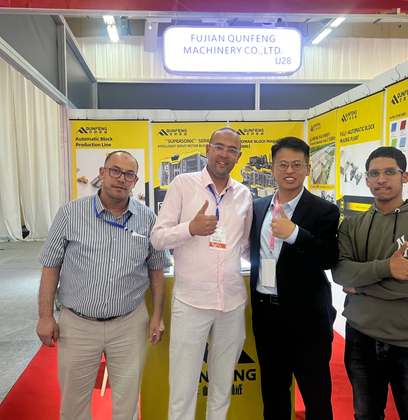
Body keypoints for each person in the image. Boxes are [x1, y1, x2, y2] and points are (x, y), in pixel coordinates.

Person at [37, 151, 171, 420]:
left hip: (129, 324)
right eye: (115, 171)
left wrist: (157, 315)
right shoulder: (70, 214)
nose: (121, 179)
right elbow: (51, 266)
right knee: (73, 407)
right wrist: (45, 316)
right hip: (78, 324)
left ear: (135, 181)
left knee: (127, 404)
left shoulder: (147, 219)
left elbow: (156, 270)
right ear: (102, 173)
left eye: (129, 174)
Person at [332, 146, 408, 419]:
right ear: (366, 179)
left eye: (389, 172)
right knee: (365, 415)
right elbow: (341, 274)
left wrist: (360, 287)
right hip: (361, 338)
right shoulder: (351, 225)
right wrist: (387, 268)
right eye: (374, 173)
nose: (381, 179)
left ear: (404, 177)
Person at [151, 127, 253, 420]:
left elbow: (245, 247)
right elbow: (157, 238)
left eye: (231, 150)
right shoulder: (183, 184)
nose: (224, 154)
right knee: (183, 389)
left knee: (222, 389)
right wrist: (190, 229)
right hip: (191, 302)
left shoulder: (244, 194)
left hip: (231, 303)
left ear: (238, 156)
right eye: (219, 147)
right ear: (207, 149)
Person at [249, 137, 339, 420]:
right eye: (283, 164)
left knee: (316, 396)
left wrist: (295, 234)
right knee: (273, 393)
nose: (290, 170)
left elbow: (328, 258)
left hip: (307, 318)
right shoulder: (257, 207)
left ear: (308, 168)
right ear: (272, 169)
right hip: (266, 315)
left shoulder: (324, 210)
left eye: (297, 164)